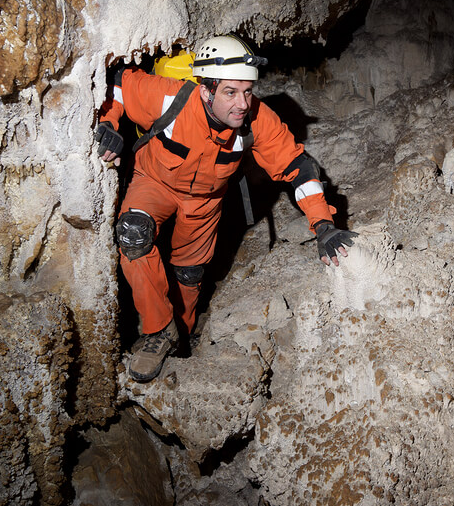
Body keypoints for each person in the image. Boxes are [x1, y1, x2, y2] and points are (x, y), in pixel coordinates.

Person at [94, 35, 357, 382]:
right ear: (206, 90)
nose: (242, 103)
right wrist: (108, 123)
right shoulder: (170, 98)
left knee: (189, 275)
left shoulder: (255, 120)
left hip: (205, 202)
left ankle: (181, 338)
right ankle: (157, 332)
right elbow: (118, 85)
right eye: (230, 92)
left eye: (247, 91)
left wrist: (323, 225)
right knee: (134, 235)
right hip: (154, 182)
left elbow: (298, 167)